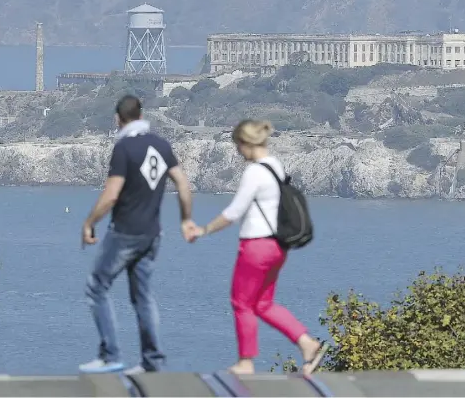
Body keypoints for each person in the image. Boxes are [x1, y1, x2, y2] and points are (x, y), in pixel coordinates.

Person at [188, 119, 328, 375]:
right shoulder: (275, 166)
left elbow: (234, 212)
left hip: (256, 246)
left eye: (238, 146)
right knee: (262, 304)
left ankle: (246, 362)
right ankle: (307, 343)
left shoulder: (254, 172)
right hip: (278, 247)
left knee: (241, 302)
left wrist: (204, 230)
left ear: (245, 144)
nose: (239, 152)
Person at [79, 95, 197, 374]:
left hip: (125, 232)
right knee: (143, 296)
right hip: (152, 234)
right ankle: (152, 361)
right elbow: (182, 184)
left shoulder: (124, 148)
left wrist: (89, 223)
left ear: (118, 119)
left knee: (97, 286)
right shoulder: (161, 145)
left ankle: (110, 355)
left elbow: (111, 195)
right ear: (141, 114)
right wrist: (186, 219)